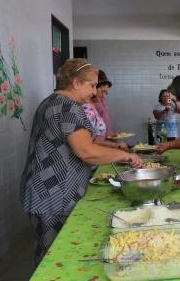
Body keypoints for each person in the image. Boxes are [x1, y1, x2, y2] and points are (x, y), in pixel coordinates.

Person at [20, 59, 141, 265]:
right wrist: (126, 156)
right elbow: (86, 151)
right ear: (76, 83)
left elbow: (85, 141)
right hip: (53, 194)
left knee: (53, 254)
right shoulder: (68, 107)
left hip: (44, 190)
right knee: (53, 260)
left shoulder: (51, 101)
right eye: (91, 85)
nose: (94, 92)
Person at [93, 70, 116, 136]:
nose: (104, 96)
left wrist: (109, 132)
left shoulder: (101, 100)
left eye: (106, 93)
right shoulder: (88, 104)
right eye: (102, 91)